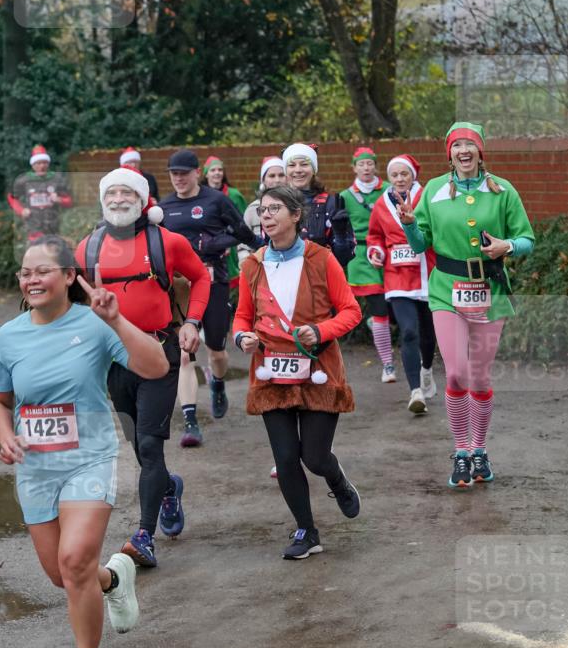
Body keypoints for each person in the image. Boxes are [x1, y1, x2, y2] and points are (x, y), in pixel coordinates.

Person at [0, 236, 168, 648]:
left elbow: (156, 366)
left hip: (89, 456)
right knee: (64, 575)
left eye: (43, 270)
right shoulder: (9, 337)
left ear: (70, 276)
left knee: (73, 561)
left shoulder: (94, 323)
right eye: (26, 273)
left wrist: (117, 320)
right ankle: (115, 579)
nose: (32, 279)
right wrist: (5, 435)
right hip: (35, 468)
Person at [75, 166, 211, 566]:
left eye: (125, 193)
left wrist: (192, 322)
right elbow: (74, 302)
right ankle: (169, 487)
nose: (118, 199)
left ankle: (143, 535)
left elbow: (201, 278)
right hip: (113, 359)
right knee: (138, 443)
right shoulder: (88, 247)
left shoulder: (167, 241)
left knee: (150, 443)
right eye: (111, 193)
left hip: (160, 350)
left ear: (142, 200)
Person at [397, 122, 534, 487]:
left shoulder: (503, 190)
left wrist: (507, 246)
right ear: (449, 153)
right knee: (456, 372)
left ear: (480, 151)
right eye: (456, 145)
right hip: (446, 290)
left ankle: (479, 450)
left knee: (480, 376)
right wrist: (409, 224)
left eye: (469, 145)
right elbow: (417, 242)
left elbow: (527, 239)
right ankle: (461, 452)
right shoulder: (435, 191)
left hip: (490, 288)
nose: (463, 151)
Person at [233, 185, 362, 559]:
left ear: (295, 215)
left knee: (315, 457)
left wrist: (320, 331)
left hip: (318, 368)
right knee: (286, 456)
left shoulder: (321, 259)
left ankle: (336, 480)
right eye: (262, 209)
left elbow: (351, 311)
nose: (267, 215)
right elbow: (243, 315)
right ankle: (307, 530)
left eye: (275, 209)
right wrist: (242, 336)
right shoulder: (252, 265)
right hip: (271, 371)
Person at [160, 149, 261, 446]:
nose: (178, 178)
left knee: (217, 351)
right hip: (179, 287)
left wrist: (215, 243)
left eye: (183, 173)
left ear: (196, 173)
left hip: (213, 281)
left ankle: (218, 382)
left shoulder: (215, 200)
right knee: (183, 353)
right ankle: (191, 422)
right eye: (173, 173)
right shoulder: (164, 207)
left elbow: (242, 232)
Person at [366, 154, 437, 412]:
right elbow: (374, 235)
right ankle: (415, 391)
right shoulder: (381, 204)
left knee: (428, 335)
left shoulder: (428, 198)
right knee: (408, 331)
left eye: (403, 174)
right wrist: (375, 252)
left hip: (427, 273)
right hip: (396, 276)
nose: (399, 179)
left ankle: (427, 370)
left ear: (413, 175)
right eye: (394, 174)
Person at [340, 146, 393, 381]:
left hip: (389, 253)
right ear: (354, 168)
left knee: (395, 304)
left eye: (369, 163)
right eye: (361, 164)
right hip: (360, 256)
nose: (366, 168)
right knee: (378, 306)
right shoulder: (344, 196)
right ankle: (388, 364)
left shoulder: (390, 190)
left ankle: (376, 325)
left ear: (375, 166)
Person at [283, 143, 356, 269]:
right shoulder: (276, 204)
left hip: (322, 281)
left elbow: (343, 259)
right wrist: (250, 239)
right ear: (286, 170)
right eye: (292, 165)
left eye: (304, 164)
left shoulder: (331, 204)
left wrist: (340, 236)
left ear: (314, 170)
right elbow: (266, 251)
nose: (298, 170)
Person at [7, 145, 72, 242]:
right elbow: (12, 198)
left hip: (53, 226)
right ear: (32, 165)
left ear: (48, 164)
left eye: (44, 163)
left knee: (53, 252)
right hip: (33, 227)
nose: (42, 166)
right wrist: (21, 210)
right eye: (38, 163)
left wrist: (59, 199)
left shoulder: (57, 179)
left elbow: (69, 201)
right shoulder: (24, 180)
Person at [202, 154, 247, 291]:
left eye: (220, 170)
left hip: (232, 247)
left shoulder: (234, 195)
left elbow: (243, 223)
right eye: (213, 170)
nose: (217, 173)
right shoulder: (200, 195)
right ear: (206, 174)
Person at [236, 156, 286, 266]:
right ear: (263, 180)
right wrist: (248, 266)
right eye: (272, 176)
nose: (277, 180)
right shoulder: (253, 210)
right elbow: (242, 247)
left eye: (281, 175)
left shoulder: (295, 207)